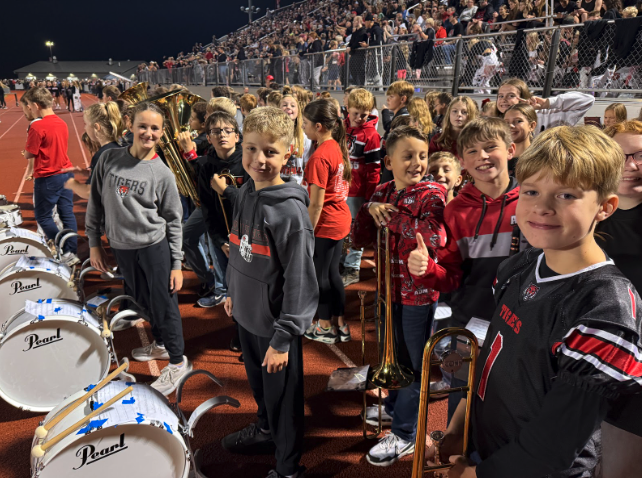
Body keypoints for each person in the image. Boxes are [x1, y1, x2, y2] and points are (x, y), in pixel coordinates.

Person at [425, 125, 642, 478]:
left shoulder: (607, 309)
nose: (541, 207)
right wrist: (459, 428)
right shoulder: (520, 264)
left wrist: (478, 475)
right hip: (488, 449)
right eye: (531, 191)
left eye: (567, 195)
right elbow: (490, 360)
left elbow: (552, 446)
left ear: (605, 207)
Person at [213, 107, 317, 478]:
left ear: (287, 153)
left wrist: (284, 337)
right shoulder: (245, 195)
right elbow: (240, 248)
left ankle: (288, 468)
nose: (259, 159)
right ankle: (265, 430)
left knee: (284, 402)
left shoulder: (290, 212)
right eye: (252, 149)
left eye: (270, 152)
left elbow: (301, 282)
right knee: (261, 391)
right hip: (246, 316)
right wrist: (232, 291)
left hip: (275, 328)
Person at [351, 126, 456, 467]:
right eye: (408, 156)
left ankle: (406, 433)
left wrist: (390, 219)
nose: (417, 163)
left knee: (412, 365)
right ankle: (396, 407)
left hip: (418, 297)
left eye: (422, 156)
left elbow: (433, 236)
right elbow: (358, 240)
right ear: (389, 161)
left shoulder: (432, 193)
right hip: (388, 291)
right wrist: (369, 210)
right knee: (391, 356)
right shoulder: (382, 191)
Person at [411, 117, 526, 416]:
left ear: (511, 149)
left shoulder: (531, 201)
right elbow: (450, 278)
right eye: (472, 151)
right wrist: (425, 270)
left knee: (513, 403)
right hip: (469, 323)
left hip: (524, 325)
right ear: (462, 161)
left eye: (491, 147)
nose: (482, 156)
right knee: (461, 397)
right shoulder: (455, 211)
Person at [86, 101, 191, 396]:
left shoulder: (162, 174)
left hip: (153, 248)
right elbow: (95, 202)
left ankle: (177, 361)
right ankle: (159, 343)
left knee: (164, 303)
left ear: (162, 132)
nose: (148, 132)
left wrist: (176, 264)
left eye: (154, 128)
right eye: (142, 126)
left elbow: (173, 220)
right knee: (141, 301)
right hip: (122, 248)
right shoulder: (108, 159)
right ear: (129, 125)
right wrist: (95, 242)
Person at [301, 99, 352, 344]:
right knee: (332, 274)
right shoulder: (336, 146)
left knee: (320, 276)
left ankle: (324, 327)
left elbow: (316, 203)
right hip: (339, 218)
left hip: (326, 223)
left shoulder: (320, 156)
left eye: (306, 123)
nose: (303, 127)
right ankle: (339, 323)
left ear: (319, 126)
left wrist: (307, 232)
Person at [23, 87, 79, 264]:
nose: (30, 110)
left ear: (36, 105)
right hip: (66, 173)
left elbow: (30, 153)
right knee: (67, 214)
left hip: (48, 176)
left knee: (43, 216)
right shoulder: (62, 122)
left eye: (30, 107)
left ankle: (63, 250)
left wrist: (25, 153)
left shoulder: (37, 126)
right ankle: (72, 251)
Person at [342, 88, 382, 287]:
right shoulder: (342, 127)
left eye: (363, 114)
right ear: (347, 108)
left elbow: (374, 170)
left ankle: (353, 267)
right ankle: (342, 262)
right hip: (340, 188)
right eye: (355, 113)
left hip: (357, 192)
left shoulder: (372, 135)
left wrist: (370, 196)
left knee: (354, 229)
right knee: (341, 227)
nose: (358, 118)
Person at [64, 102, 123, 199]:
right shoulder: (120, 146)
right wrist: (86, 173)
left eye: (86, 124)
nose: (85, 128)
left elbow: (89, 192)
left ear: (96, 127)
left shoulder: (102, 154)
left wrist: (70, 183)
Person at [494, 78, 594, 135]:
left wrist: (548, 103)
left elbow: (588, 100)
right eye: (500, 96)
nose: (503, 99)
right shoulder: (494, 123)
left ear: (524, 98)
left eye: (511, 96)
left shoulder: (545, 115)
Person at [280, 92, 312, 185]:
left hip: (297, 185)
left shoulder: (304, 136)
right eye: (284, 105)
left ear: (298, 111)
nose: (288, 107)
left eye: (293, 105)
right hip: (277, 184)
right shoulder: (273, 135)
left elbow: (307, 165)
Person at [503, 103, 537, 176]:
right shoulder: (500, 157)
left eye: (518, 121)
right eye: (506, 122)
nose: (511, 126)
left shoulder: (539, 160)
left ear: (531, 126)